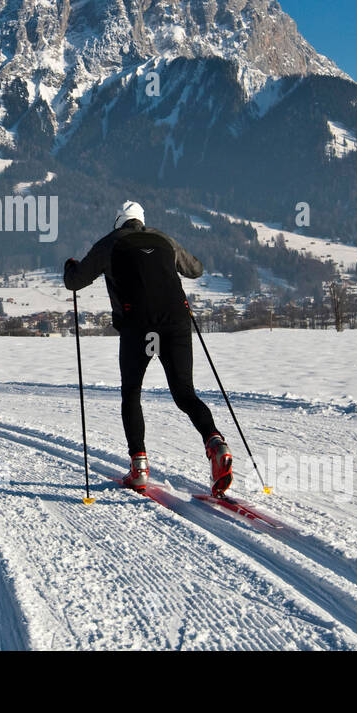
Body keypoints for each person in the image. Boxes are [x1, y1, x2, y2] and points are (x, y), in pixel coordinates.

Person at [64, 200, 233, 497]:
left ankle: (139, 467)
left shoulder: (109, 244)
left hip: (137, 326)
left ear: (119, 221)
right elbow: (195, 269)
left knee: (131, 393)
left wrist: (70, 267)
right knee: (184, 393)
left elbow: (75, 282)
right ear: (142, 220)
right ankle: (216, 442)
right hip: (175, 323)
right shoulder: (164, 239)